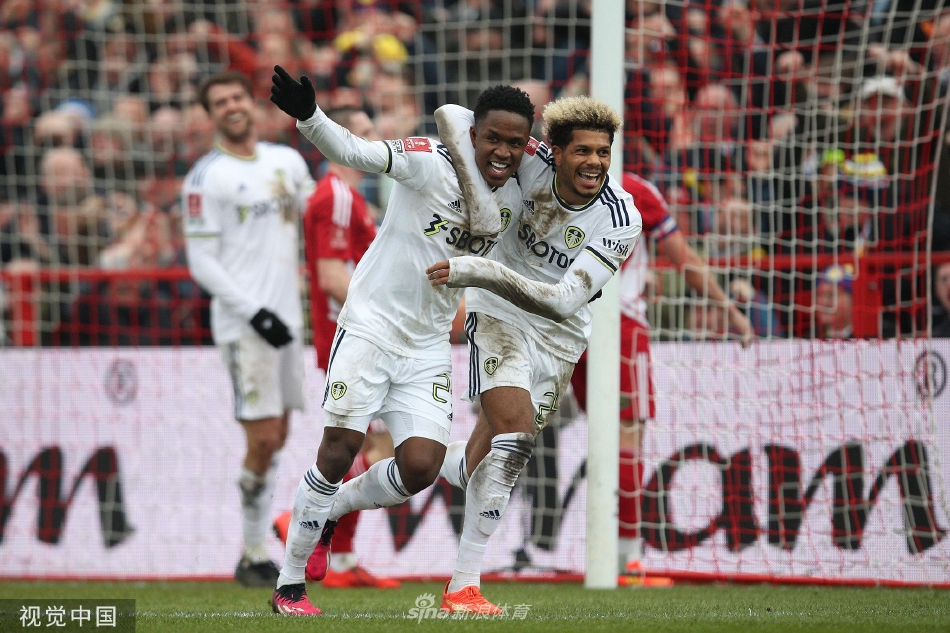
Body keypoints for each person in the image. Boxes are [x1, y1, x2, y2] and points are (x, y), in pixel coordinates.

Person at [268, 65, 535, 616]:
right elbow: (356, 152)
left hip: (427, 346)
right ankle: (289, 586)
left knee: (420, 466)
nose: (503, 151)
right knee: (339, 449)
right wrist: (310, 116)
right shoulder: (429, 160)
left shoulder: (512, 201)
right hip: (369, 327)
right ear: (474, 134)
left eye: (515, 143)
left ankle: (328, 513)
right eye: (493, 138)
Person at [426, 95, 642, 613]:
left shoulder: (621, 216)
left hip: (560, 335)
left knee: (474, 464)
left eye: (603, 152)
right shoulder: (530, 157)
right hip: (498, 314)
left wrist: (476, 268)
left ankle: (387, 479)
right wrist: (481, 202)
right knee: (517, 435)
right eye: (583, 151)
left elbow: (566, 300)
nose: (595, 162)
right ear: (556, 152)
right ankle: (463, 586)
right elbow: (452, 115)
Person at [570, 172, 754, 584]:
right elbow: (684, 259)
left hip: (563, 321)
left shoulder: (551, 177)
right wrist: (728, 309)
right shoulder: (636, 190)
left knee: (594, 439)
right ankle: (626, 560)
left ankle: (592, 554)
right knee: (626, 439)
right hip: (619, 326)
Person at [182, 70, 316, 588]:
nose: (232, 106)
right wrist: (255, 312)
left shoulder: (286, 162)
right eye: (220, 102)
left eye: (237, 96)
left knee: (277, 434)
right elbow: (202, 262)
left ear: (251, 103)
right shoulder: (205, 178)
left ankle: (256, 547)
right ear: (210, 115)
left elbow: (315, 215)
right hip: (246, 326)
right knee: (261, 437)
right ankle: (253, 548)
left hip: (289, 320)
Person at [271, 105, 399, 589]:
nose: (374, 139)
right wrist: (388, 319)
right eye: (364, 132)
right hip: (356, 340)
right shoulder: (336, 196)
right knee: (380, 452)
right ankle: (300, 517)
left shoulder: (351, 196)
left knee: (361, 449)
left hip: (359, 338)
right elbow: (330, 277)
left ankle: (341, 560)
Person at [815, 264, 855, 339]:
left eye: (832, 295)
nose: (825, 302)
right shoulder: (804, 340)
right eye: (820, 295)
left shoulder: (872, 340)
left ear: (852, 299)